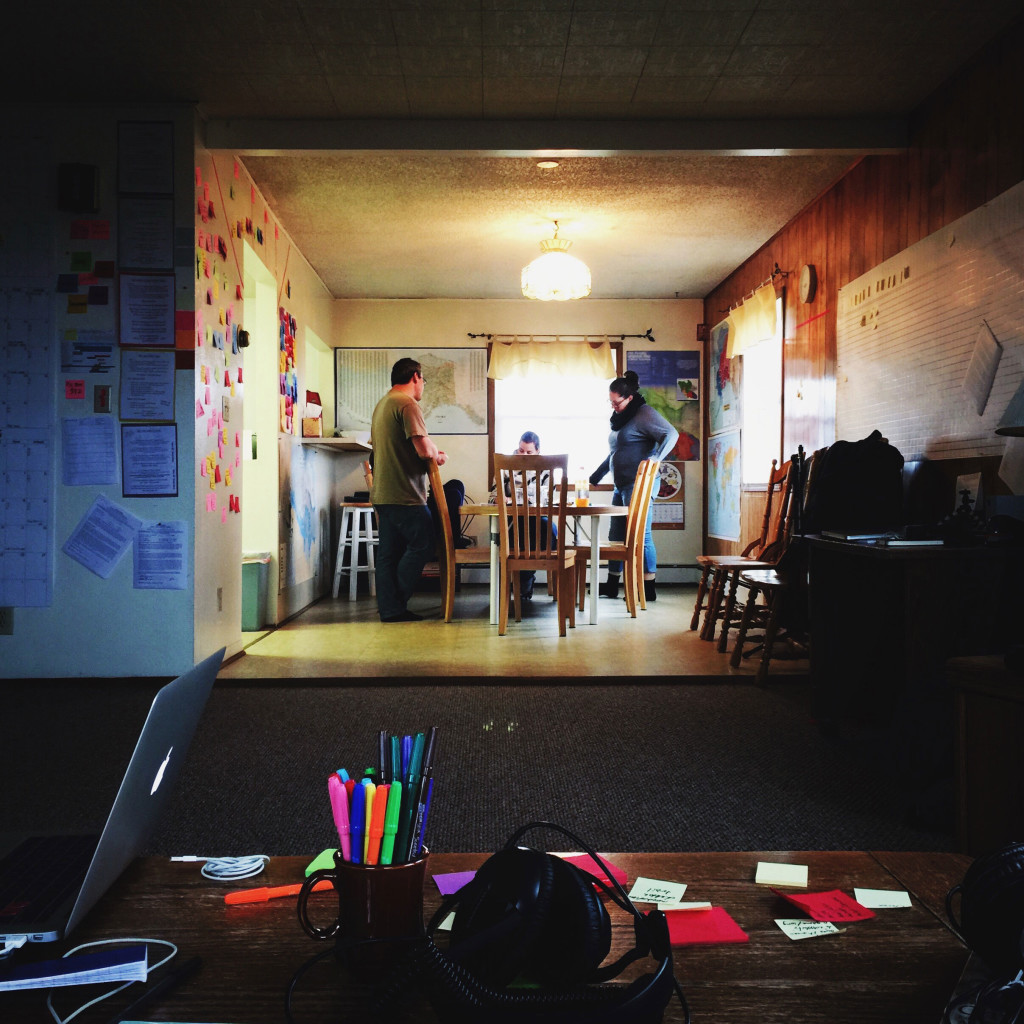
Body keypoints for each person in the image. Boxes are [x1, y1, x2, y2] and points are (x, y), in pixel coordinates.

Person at [369, 357, 448, 622]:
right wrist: (437, 454)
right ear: (415, 377)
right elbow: (424, 449)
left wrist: (432, 451)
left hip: (383, 493)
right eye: (423, 380)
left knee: (388, 554)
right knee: (424, 544)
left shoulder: (383, 404)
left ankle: (390, 610)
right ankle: (394, 602)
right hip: (405, 494)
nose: (423, 386)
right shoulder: (407, 404)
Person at [589, 370, 678, 602]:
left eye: (616, 402)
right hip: (621, 485)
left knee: (641, 535)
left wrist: (656, 458)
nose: (613, 406)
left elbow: (672, 434)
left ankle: (648, 589)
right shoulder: (622, 418)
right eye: (610, 401)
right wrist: (596, 475)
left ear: (629, 398)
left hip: (640, 484)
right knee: (616, 536)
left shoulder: (643, 413)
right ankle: (611, 585)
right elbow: (615, 452)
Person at [489, 431, 552, 602]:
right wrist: (507, 498)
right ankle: (524, 578)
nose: (523, 455)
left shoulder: (547, 469)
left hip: (538, 520)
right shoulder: (505, 467)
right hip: (512, 521)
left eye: (529, 452)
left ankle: (525, 576)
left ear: (538, 451)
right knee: (519, 530)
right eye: (521, 451)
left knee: (544, 528)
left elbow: (549, 499)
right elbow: (493, 496)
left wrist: (533, 498)